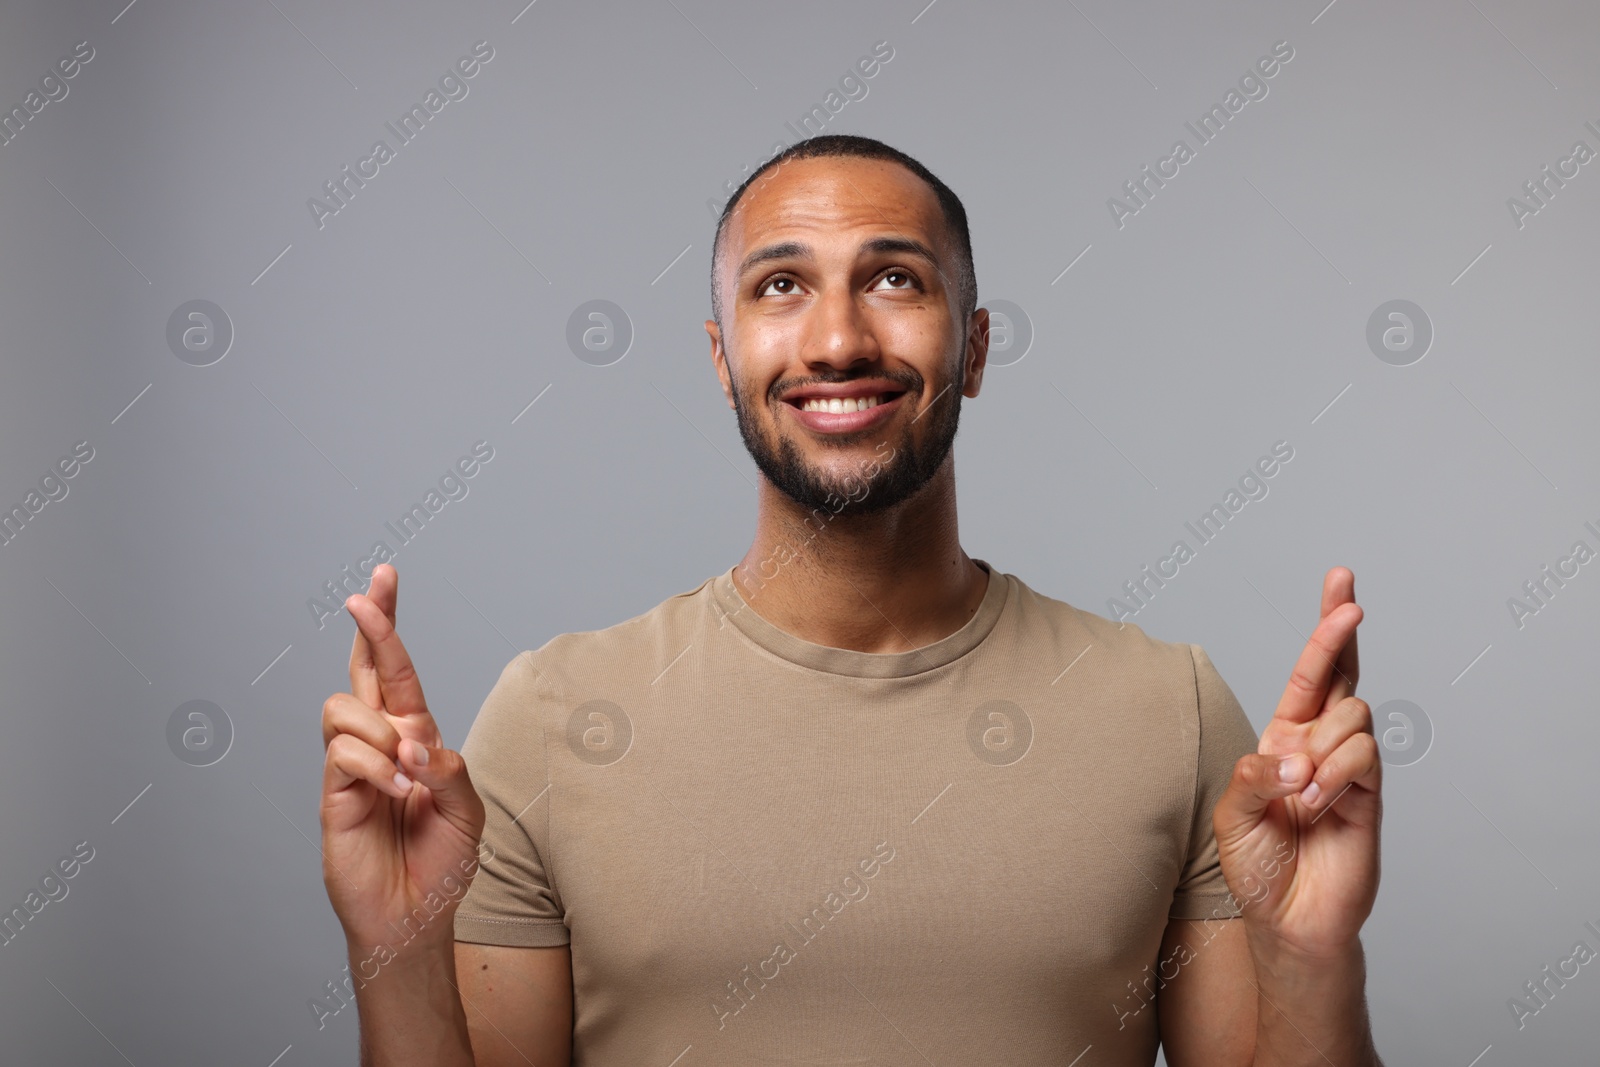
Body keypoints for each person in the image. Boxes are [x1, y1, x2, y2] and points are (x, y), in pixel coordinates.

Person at [318, 134, 1384, 1066]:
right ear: (720, 354)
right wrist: (396, 952)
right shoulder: (552, 714)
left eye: (894, 281)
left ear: (971, 349)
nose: (836, 340)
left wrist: (1310, 957)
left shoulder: (1172, 710)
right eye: (779, 286)